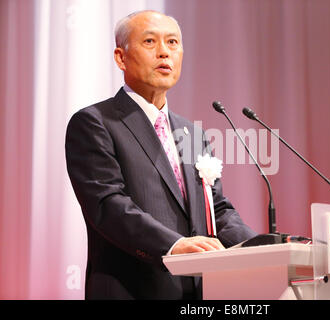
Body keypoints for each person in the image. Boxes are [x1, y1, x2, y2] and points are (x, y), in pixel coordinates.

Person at [65, 10, 257, 300]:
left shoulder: (192, 132)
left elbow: (215, 209)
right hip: (131, 289)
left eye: (172, 43)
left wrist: (265, 247)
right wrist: (173, 245)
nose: (164, 53)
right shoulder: (95, 122)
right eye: (150, 42)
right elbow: (108, 205)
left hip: (195, 294)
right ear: (121, 57)